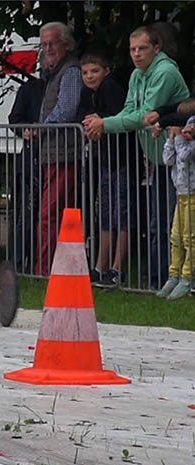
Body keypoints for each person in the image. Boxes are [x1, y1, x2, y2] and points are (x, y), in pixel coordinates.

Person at [83, 25, 190, 289]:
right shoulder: (135, 76)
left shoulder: (165, 72)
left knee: (174, 222)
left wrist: (105, 124)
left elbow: (145, 115)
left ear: (156, 48)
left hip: (181, 155)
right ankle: (159, 278)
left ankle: (171, 278)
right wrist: (106, 122)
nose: (137, 54)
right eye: (132, 49)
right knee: (158, 220)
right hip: (158, 156)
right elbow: (129, 110)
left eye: (142, 48)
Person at [77, 51, 137, 288]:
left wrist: (99, 120)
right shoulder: (88, 94)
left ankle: (116, 268)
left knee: (121, 214)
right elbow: (81, 115)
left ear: (106, 71)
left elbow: (119, 116)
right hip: (106, 162)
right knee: (106, 213)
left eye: (94, 71)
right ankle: (100, 266)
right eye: (85, 72)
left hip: (122, 160)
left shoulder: (111, 89)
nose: (89, 76)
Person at [32, 22, 82, 276]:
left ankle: (46, 270)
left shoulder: (71, 71)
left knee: (50, 214)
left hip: (64, 152)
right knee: (53, 213)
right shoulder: (53, 72)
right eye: (44, 44)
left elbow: (66, 109)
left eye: (52, 43)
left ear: (66, 44)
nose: (48, 49)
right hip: (53, 152)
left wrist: (41, 127)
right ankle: (54, 268)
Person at [8, 55, 46, 274]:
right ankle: (20, 261)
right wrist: (25, 129)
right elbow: (14, 118)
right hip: (30, 158)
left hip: (54, 158)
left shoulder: (65, 86)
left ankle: (43, 260)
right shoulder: (30, 89)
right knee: (25, 211)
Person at [158, 117, 195, 299]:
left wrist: (179, 137)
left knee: (190, 237)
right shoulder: (181, 135)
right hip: (180, 192)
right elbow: (168, 159)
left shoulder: (191, 134)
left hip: (193, 192)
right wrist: (170, 139)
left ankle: (188, 277)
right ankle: (174, 274)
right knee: (176, 236)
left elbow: (186, 155)